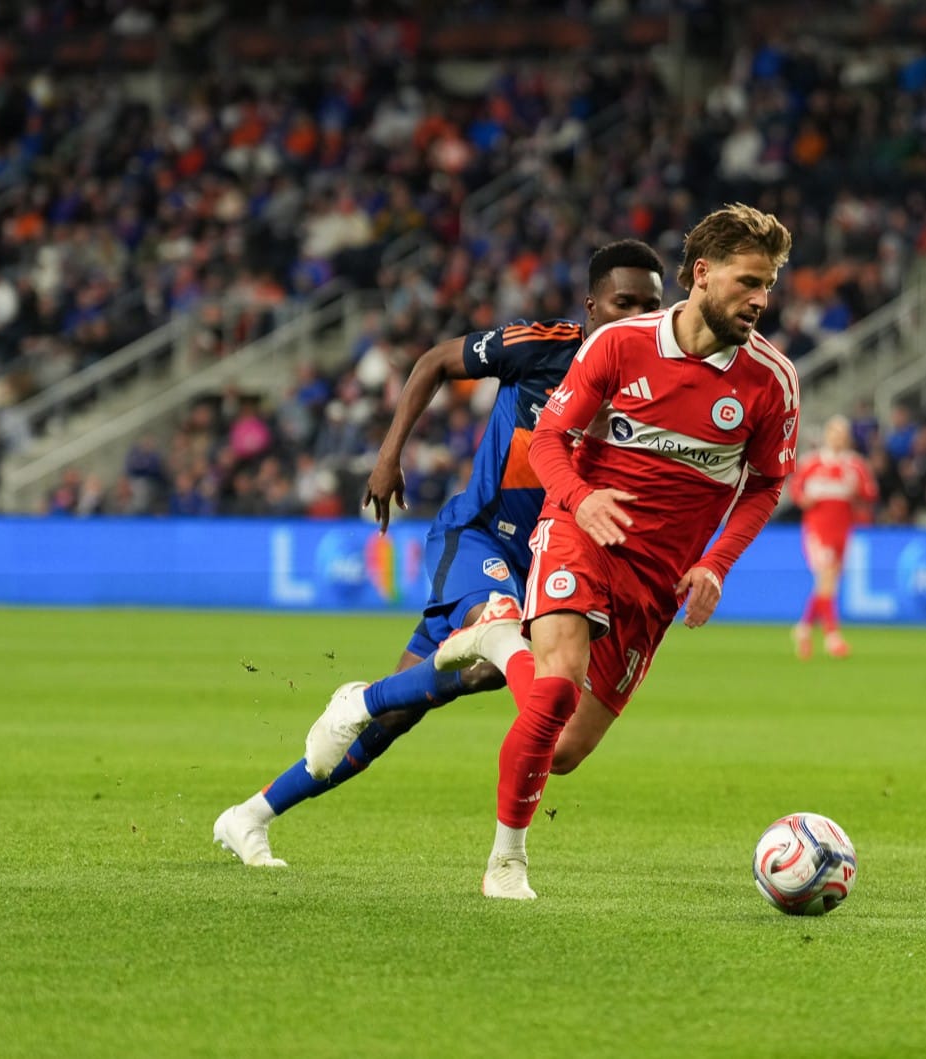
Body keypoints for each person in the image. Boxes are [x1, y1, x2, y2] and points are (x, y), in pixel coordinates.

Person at [307, 203, 798, 900]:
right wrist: (579, 498)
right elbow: (548, 441)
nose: (760, 299)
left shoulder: (770, 382)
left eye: (769, 285)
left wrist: (715, 564)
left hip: (653, 582)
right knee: (555, 680)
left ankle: (382, 692)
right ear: (702, 275)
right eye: (749, 281)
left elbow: (766, 485)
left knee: (561, 751)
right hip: (574, 535)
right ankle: (506, 861)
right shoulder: (617, 346)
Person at [213, 239, 666, 866]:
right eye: (624, 303)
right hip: (477, 538)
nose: (639, 316)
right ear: (591, 306)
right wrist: (389, 453)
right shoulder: (542, 348)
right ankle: (362, 704)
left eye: (651, 305)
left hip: (547, 566)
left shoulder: (662, 390)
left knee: (402, 711)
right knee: (496, 635)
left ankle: (250, 814)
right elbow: (432, 362)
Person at [788, 413, 878, 659]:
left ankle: (804, 628)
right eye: (834, 433)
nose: (838, 439)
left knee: (827, 584)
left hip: (842, 530)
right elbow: (795, 488)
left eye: (842, 434)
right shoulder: (812, 463)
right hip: (818, 529)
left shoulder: (856, 465)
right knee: (826, 577)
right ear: (827, 435)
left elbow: (870, 494)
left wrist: (857, 490)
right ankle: (832, 636)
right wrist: (803, 499)